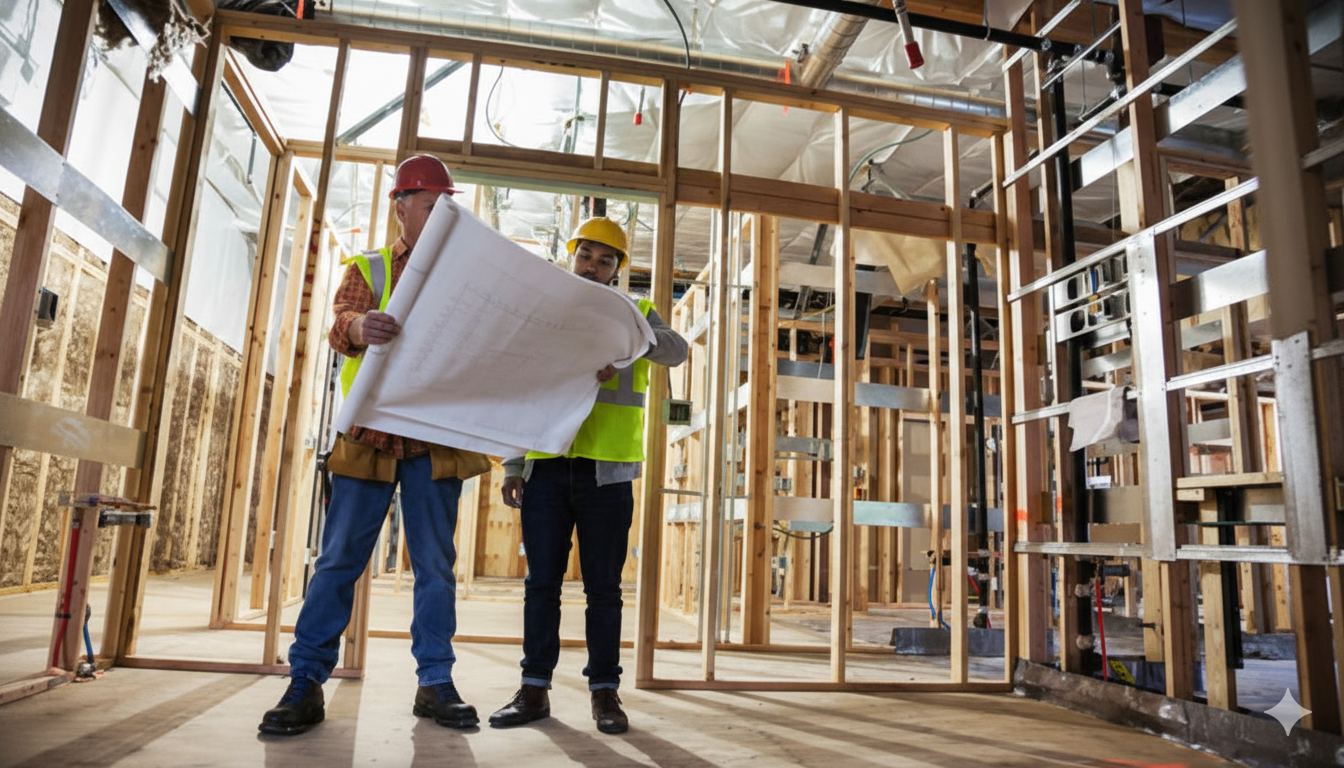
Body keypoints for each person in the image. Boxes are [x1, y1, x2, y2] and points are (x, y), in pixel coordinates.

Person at [259, 155, 492, 736]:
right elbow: (342, 322)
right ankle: (306, 681)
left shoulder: (465, 274)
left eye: (446, 205)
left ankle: (435, 682)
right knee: (338, 561)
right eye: (430, 204)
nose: (440, 213)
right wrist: (361, 329)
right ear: (401, 208)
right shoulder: (369, 267)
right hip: (369, 437)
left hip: (433, 442)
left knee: (435, 567)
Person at [488, 216, 688, 735]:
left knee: (603, 590)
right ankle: (534, 691)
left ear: (619, 269)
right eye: (586, 256)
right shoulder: (547, 314)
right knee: (541, 586)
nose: (593, 267)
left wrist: (628, 346)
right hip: (547, 468)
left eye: (605, 260)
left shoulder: (638, 313)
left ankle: (605, 694)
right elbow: (523, 393)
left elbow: (677, 349)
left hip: (608, 474)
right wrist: (514, 463)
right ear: (572, 256)